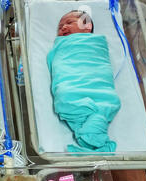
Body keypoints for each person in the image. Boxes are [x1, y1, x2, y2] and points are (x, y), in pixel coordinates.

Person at [47, 10, 121, 153]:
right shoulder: (62, 44)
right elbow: (56, 63)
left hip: (100, 87)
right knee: (64, 93)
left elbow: (102, 64)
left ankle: (90, 134)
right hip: (71, 86)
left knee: (108, 101)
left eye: (69, 23)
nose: (62, 27)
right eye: (60, 26)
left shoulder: (96, 43)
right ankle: (92, 135)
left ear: (87, 26)